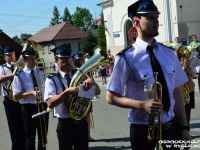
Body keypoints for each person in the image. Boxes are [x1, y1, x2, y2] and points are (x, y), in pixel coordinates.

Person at [106, 0, 190, 150]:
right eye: (150, 18)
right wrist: (141, 105)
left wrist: (184, 128)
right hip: (142, 131)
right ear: (136, 22)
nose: (156, 21)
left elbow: (177, 92)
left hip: (172, 128)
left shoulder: (169, 53)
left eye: (156, 17)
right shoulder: (126, 57)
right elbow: (111, 97)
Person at [44, 44, 100, 150]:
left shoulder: (80, 73)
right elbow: (50, 103)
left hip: (81, 121)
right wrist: (67, 92)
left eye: (68, 57)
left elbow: (97, 92)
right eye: (63, 58)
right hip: (65, 124)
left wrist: (92, 82)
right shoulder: (51, 79)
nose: (67, 61)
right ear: (56, 60)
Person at [12, 47, 49, 150]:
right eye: (30, 58)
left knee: (43, 137)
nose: (33, 61)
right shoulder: (19, 76)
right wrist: (32, 93)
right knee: (30, 138)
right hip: (28, 108)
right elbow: (16, 95)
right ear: (24, 60)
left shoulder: (41, 73)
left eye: (34, 58)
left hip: (42, 106)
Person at [0, 47, 26, 150]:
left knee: (23, 127)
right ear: (5, 57)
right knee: (14, 128)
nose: (11, 56)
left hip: (20, 99)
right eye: (8, 55)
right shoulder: (2, 67)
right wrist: (13, 75)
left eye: (12, 54)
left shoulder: (20, 66)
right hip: (9, 101)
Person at [72, 51, 100, 142]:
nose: (82, 61)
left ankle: (87, 135)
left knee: (87, 116)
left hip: (86, 99)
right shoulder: (73, 72)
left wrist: (92, 80)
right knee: (76, 119)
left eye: (82, 59)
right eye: (79, 60)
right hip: (76, 99)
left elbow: (97, 90)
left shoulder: (86, 71)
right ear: (75, 61)